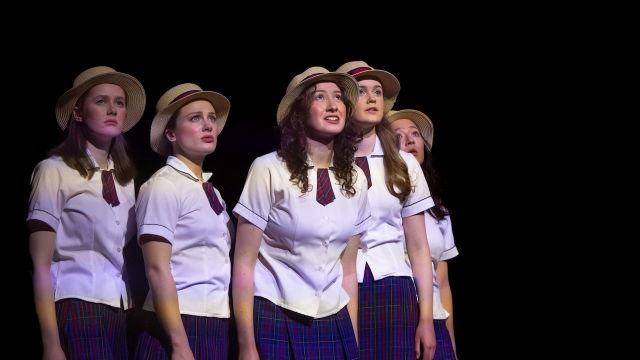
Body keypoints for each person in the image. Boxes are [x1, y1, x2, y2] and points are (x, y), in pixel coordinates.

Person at [232, 66, 371, 360]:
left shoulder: (356, 179)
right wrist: (246, 345)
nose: (334, 105)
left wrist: (353, 342)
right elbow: (244, 264)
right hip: (276, 313)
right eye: (320, 97)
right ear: (299, 113)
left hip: (334, 318)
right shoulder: (268, 169)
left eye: (338, 98)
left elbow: (348, 270)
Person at [27, 66, 146, 359]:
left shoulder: (127, 180)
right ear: (78, 113)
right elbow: (40, 265)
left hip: (118, 308)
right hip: (76, 302)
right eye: (101, 101)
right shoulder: (54, 171)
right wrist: (51, 344)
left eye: (119, 102)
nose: (113, 109)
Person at [336, 61, 437, 360]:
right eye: (362, 91)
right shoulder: (328, 163)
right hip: (338, 286)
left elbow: (419, 248)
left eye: (377, 92)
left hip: (393, 286)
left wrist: (427, 319)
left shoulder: (404, 164)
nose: (372, 98)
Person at [134, 83, 233, 359]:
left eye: (211, 118)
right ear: (171, 133)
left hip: (214, 319)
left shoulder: (212, 191)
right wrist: (179, 343)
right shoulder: (163, 186)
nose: (208, 125)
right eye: (195, 118)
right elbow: (156, 267)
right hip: (178, 322)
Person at [389, 109, 459, 359]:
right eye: (397, 135)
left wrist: (450, 343)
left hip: (435, 320)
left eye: (415, 134)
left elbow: (443, 282)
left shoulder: (438, 209)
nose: (409, 140)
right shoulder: (383, 201)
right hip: (398, 313)